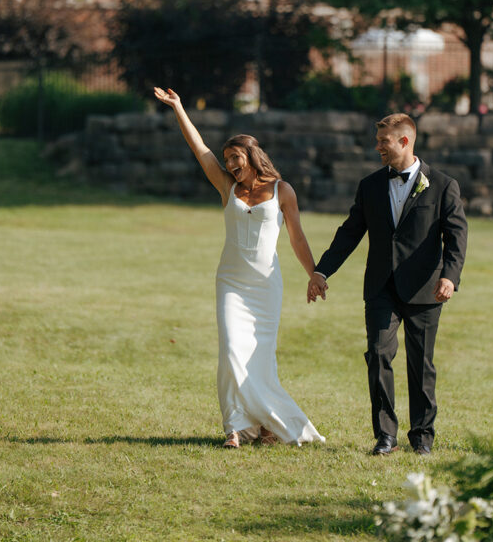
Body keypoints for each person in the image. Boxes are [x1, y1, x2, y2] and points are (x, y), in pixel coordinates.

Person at [154, 86, 325, 449]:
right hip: (231, 282)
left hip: (266, 286)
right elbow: (199, 149)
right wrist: (179, 107)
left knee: (260, 357)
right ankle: (234, 427)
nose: (230, 164)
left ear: (252, 155)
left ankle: (265, 426)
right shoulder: (226, 187)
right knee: (232, 349)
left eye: (236, 157)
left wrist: (314, 273)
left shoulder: (283, 190)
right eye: (227, 159)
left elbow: (296, 238)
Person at [307, 113, 467, 456]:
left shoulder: (442, 185)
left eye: (384, 141)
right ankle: (386, 436)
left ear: (405, 141)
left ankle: (422, 437)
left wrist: (450, 277)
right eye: (378, 141)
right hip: (380, 287)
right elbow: (349, 233)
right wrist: (322, 272)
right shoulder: (370, 185)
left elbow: (456, 237)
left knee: (420, 363)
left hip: (426, 288)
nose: (377, 147)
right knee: (378, 355)